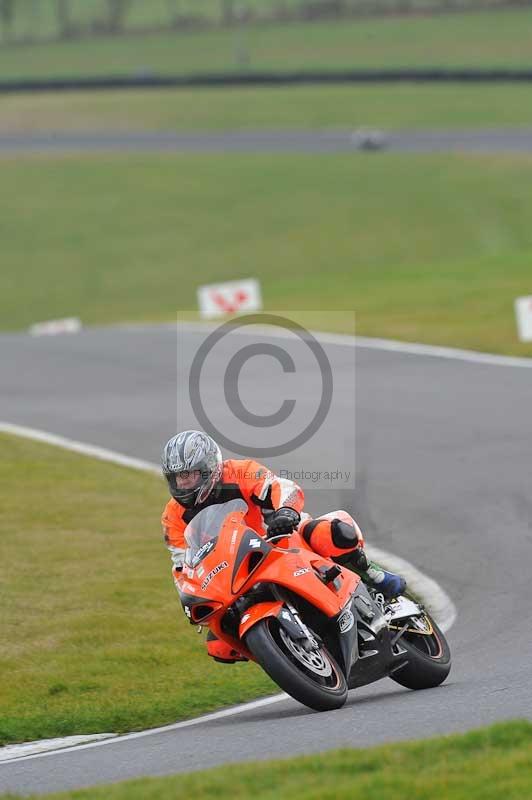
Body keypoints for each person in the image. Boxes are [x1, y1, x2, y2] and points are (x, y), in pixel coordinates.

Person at [161, 430, 406, 663]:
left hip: (279, 537)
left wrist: (286, 512)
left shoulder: (240, 472)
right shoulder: (173, 515)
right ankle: (284, 649)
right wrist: (192, 594)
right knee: (219, 645)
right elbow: (182, 564)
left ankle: (372, 574)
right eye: (178, 478)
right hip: (234, 571)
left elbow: (280, 487)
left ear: (208, 469)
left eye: (190, 475)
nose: (184, 484)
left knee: (331, 534)